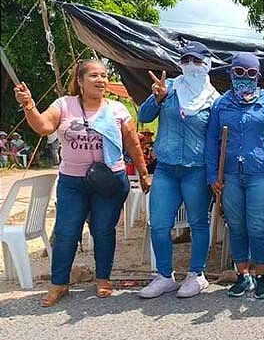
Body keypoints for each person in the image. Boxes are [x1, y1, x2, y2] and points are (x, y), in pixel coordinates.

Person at [13, 59, 151, 307]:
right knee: (66, 232)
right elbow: (43, 127)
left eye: (104, 75)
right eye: (94, 76)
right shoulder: (64, 105)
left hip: (109, 181)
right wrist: (29, 106)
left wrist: (143, 173)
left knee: (103, 230)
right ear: (80, 81)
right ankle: (59, 283)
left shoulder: (117, 109)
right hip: (72, 182)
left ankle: (103, 279)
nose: (101, 80)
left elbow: (132, 143)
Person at [137, 41, 220, 299]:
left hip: (196, 170)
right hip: (166, 169)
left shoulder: (214, 100)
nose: (191, 65)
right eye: (186, 60)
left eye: (197, 61)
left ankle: (197, 275)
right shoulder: (169, 88)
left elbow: (215, 139)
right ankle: (165, 276)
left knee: (198, 222)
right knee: (159, 223)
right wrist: (157, 98)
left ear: (207, 64)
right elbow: (144, 116)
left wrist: (213, 174)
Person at [206, 52, 264, 299]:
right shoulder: (221, 104)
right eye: (239, 72)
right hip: (230, 174)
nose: (245, 77)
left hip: (260, 174)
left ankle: (262, 276)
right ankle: (243, 275)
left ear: (258, 76)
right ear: (231, 73)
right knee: (237, 226)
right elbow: (212, 141)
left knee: (258, 225)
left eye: (251, 73)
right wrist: (212, 175)